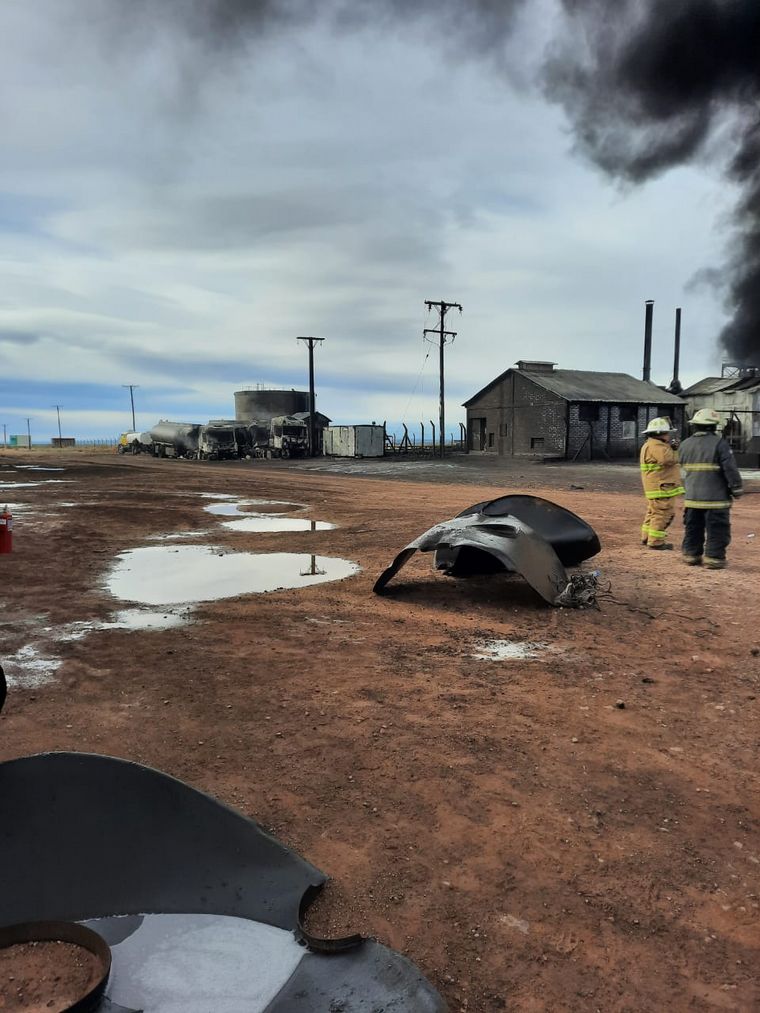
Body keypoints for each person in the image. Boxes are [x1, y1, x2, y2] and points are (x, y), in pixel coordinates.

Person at [678, 408, 743, 568]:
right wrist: (737, 489)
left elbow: (682, 470)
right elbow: (730, 469)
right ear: (714, 426)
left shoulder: (685, 445)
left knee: (693, 527)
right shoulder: (720, 444)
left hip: (692, 498)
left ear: (695, 425)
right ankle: (714, 558)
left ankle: (691, 555)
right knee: (717, 529)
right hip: (716, 499)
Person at [639, 417, 684, 550]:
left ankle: (646, 537)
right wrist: (675, 450)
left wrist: (671, 447)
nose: (669, 436)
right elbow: (668, 460)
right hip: (661, 487)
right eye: (667, 433)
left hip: (656, 486)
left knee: (653, 512)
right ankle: (656, 541)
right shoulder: (657, 446)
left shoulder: (651, 444)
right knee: (663, 513)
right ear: (660, 433)